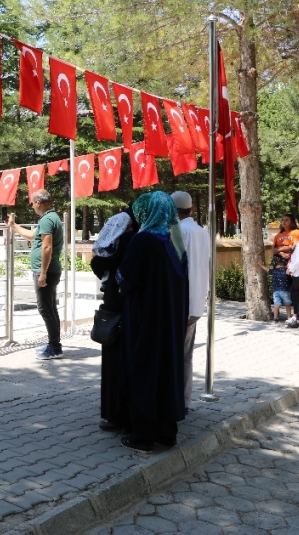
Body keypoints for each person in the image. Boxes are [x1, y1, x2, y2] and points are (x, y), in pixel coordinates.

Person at [117, 192, 188, 453]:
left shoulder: (143, 240)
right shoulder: (176, 240)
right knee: (167, 371)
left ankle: (143, 436)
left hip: (145, 319)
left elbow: (125, 280)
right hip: (171, 319)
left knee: (144, 370)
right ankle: (167, 433)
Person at [90, 208, 138, 433]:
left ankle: (114, 413)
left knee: (113, 365)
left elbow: (97, 264)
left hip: (116, 310)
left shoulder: (123, 244)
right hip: (130, 312)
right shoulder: (140, 238)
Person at [7, 189, 65, 360]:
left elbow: (47, 247)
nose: (32, 206)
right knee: (50, 309)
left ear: (38, 202)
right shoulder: (50, 218)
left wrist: (43, 273)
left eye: (32, 203)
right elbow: (33, 236)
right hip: (49, 270)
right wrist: (13, 225)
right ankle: (54, 344)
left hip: (46, 270)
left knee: (45, 309)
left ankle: (55, 347)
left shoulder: (47, 220)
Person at [171, 191, 211, 414]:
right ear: (191, 209)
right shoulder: (201, 232)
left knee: (173, 355)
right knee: (186, 355)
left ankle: (173, 400)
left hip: (179, 303)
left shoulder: (178, 231)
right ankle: (185, 401)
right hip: (196, 303)